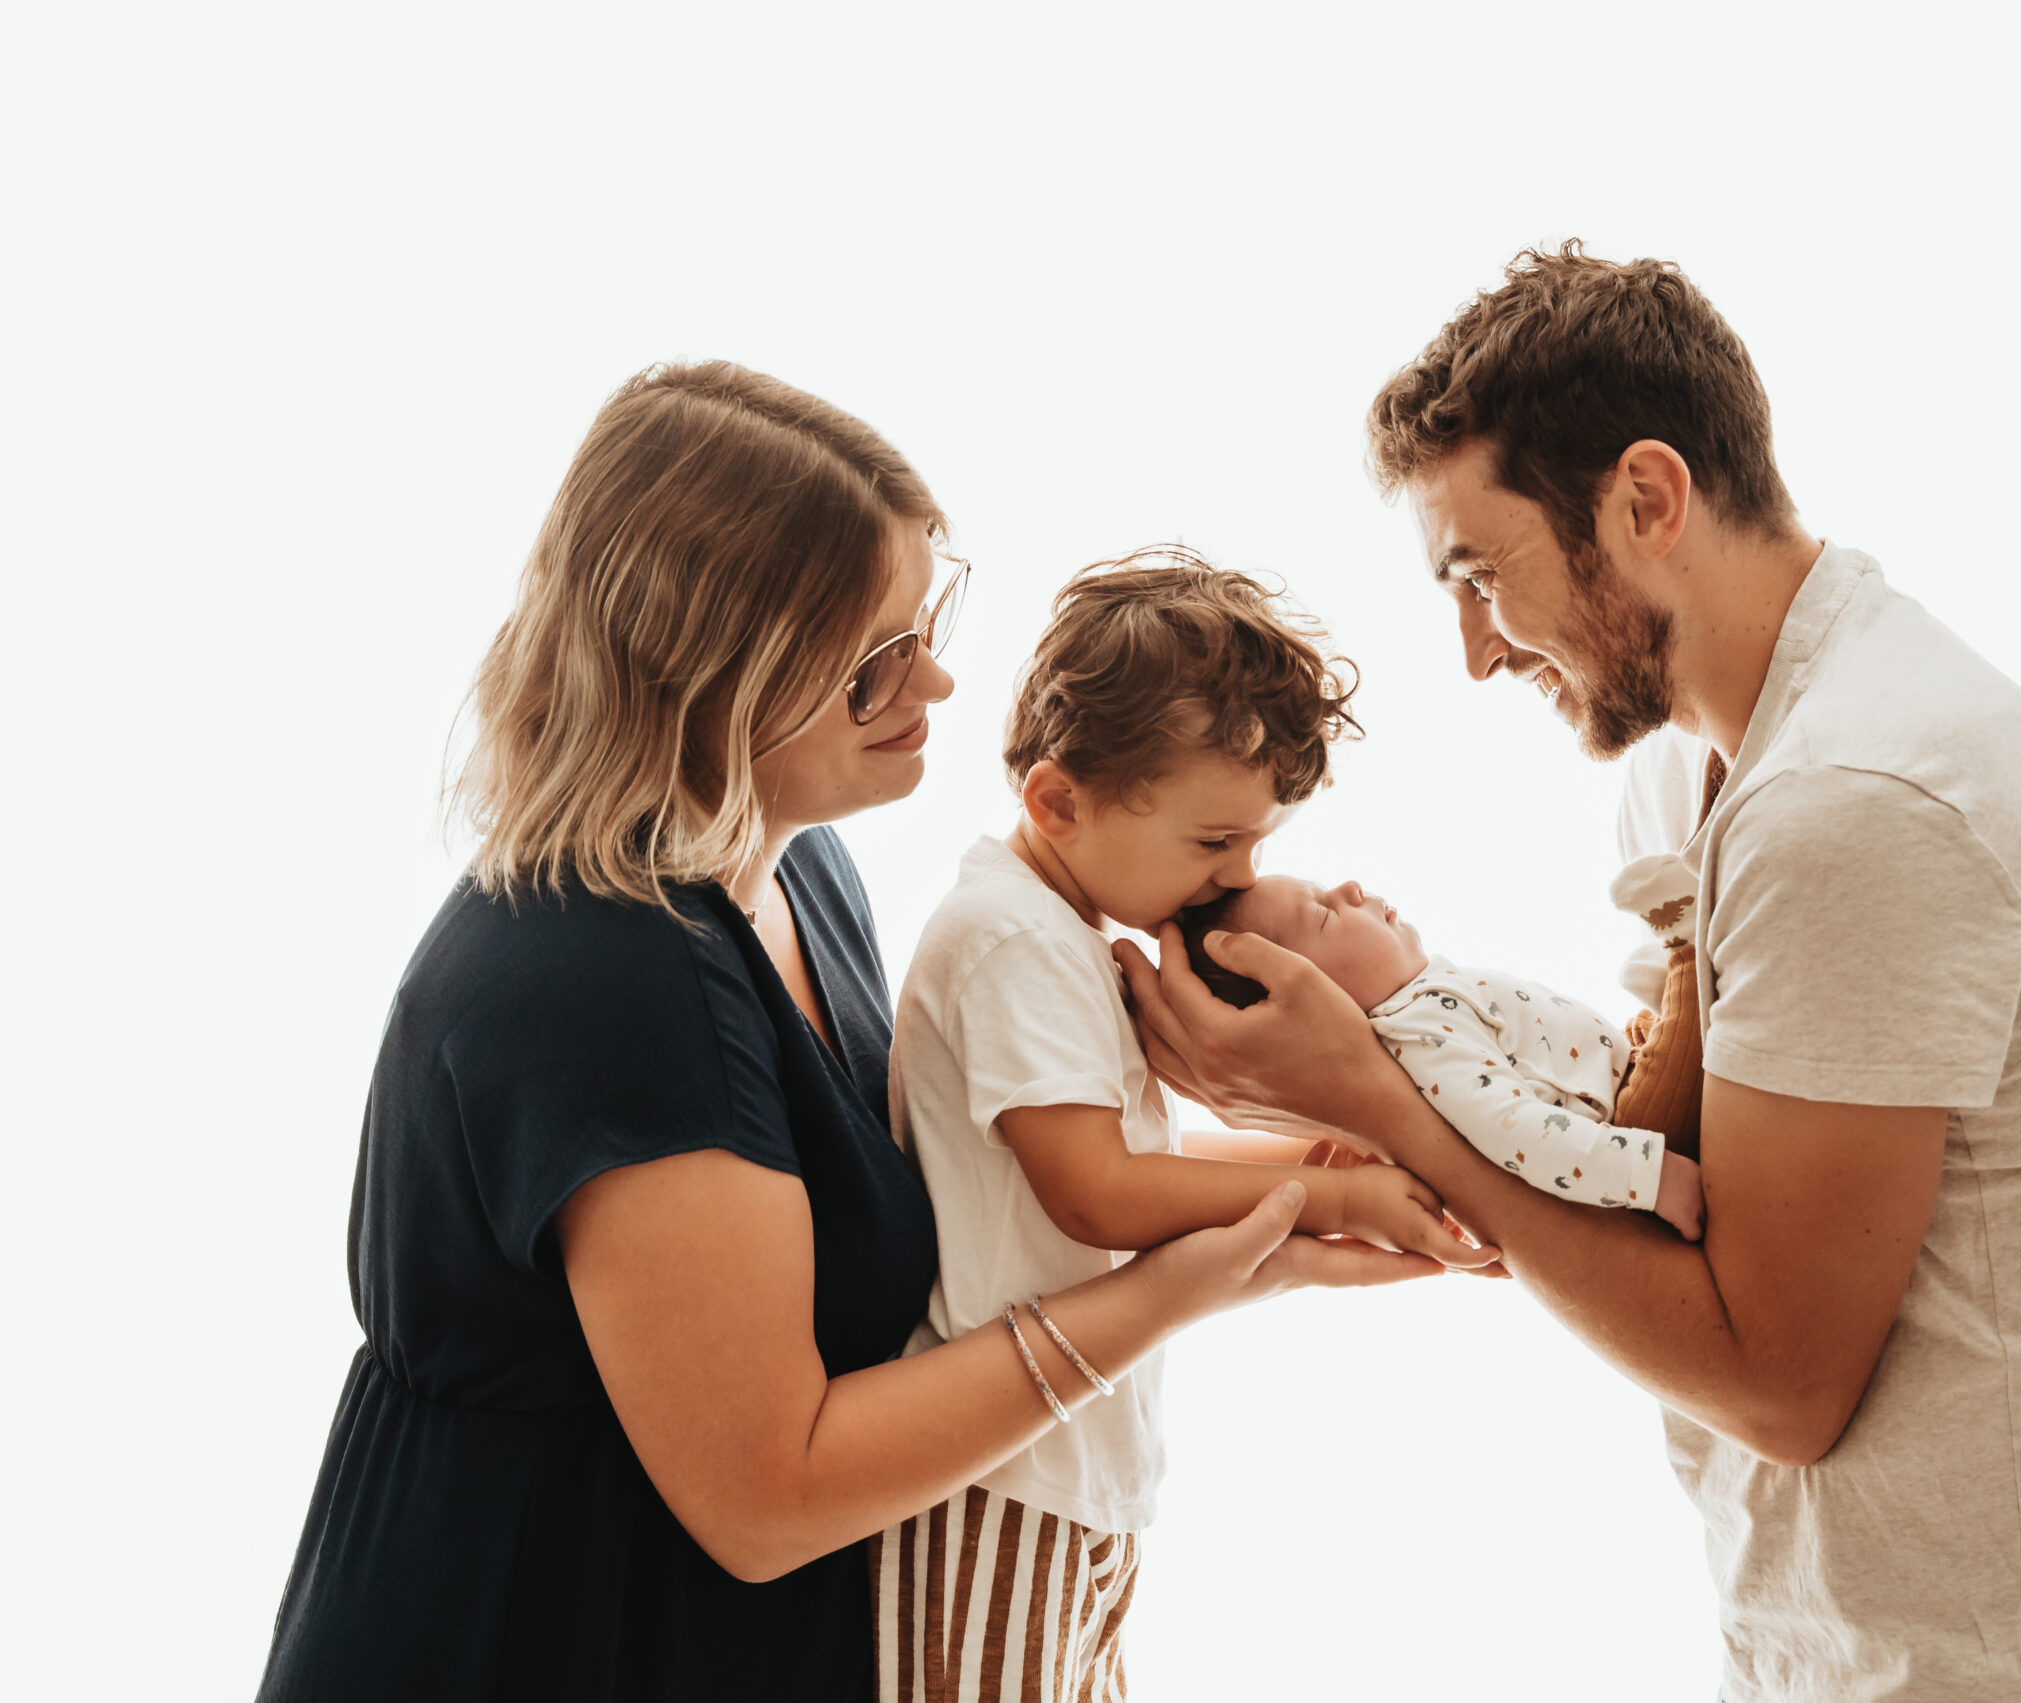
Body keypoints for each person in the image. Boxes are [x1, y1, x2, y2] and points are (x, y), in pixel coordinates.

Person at [1119, 246, 2021, 1701]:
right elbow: (1661, 1170)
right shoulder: (1692, 776)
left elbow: (1779, 1378)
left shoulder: (1854, 800)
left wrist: (1380, 1102)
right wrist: (1399, 1056)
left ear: (1647, 501)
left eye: (1481, 575)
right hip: (1830, 1649)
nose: (1475, 653)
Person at [254, 365, 1441, 1703]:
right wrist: (1183, 1284)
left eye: (927, 618)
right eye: (877, 659)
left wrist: (1306, 1145)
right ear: (712, 674)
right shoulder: (601, 982)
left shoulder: (797, 869)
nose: (937, 674)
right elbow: (768, 1494)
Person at [882, 548, 1493, 1700]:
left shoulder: (1058, 929)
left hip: (1071, 1468)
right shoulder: (1013, 939)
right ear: (1058, 801)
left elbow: (1139, 1161)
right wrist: (1331, 1194)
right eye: (1214, 844)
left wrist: (1312, 1153)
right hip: (1001, 1480)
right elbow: (1098, 1192)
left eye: (1255, 843)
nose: (1237, 878)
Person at [1177, 873, 1707, 1237]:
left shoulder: (1421, 1008)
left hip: (1624, 1069)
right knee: (1701, 992)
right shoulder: (1417, 1034)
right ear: (1314, 1004)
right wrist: (1649, 1175)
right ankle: (1684, 932)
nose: (1350, 888)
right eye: (1322, 914)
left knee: (1673, 1010)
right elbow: (1515, 1130)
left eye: (1326, 887)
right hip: (1635, 1116)